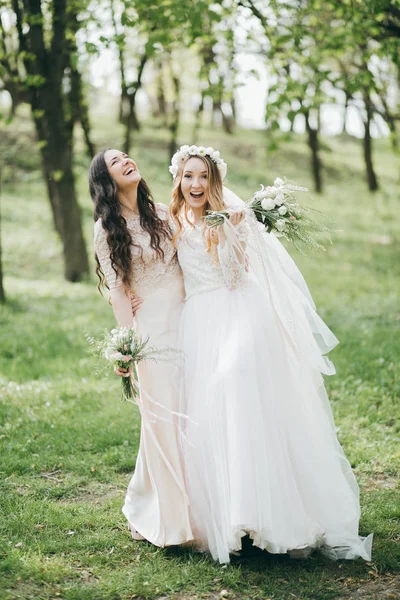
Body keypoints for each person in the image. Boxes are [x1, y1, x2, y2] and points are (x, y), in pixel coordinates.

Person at [169, 144, 373, 564]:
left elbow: (233, 276)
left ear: (214, 180)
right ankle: (225, 516)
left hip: (239, 311)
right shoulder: (171, 219)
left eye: (203, 176)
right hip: (199, 322)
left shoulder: (234, 217)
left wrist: (225, 232)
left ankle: (262, 514)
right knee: (207, 411)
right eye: (188, 176)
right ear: (178, 180)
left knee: (238, 388)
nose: (196, 184)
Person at [90, 148, 193, 547]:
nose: (127, 161)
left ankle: (203, 504)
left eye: (126, 156)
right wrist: (128, 345)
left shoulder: (166, 213)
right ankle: (166, 513)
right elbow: (117, 290)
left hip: (190, 318)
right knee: (162, 419)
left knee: (195, 409)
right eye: (116, 162)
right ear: (107, 180)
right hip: (151, 329)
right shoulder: (105, 228)